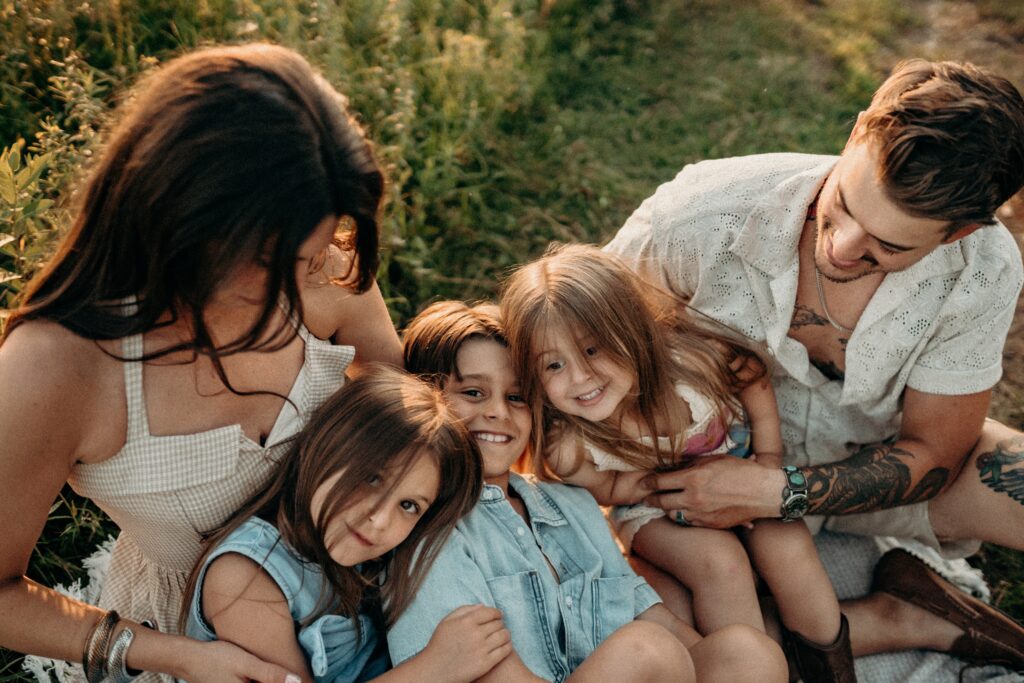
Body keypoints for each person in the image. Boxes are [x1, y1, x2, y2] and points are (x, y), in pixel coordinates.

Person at [604, 58, 1024, 671]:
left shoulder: (982, 267)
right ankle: (900, 616)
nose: (845, 245)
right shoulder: (698, 216)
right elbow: (580, 338)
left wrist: (780, 492)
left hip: (875, 466)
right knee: (660, 633)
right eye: (846, 205)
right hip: (699, 474)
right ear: (856, 135)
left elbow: (935, 453)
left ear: (959, 232)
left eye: (891, 246)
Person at [0, 43, 402, 681]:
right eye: (272, 267)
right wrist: (182, 657)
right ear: (181, 226)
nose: (309, 284)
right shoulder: (55, 368)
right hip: (196, 641)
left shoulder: (320, 263)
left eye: (320, 250)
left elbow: (408, 412)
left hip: (370, 590)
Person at [500, 243, 853, 682]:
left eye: (593, 350)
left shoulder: (690, 364)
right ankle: (749, 670)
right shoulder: (570, 445)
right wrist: (650, 487)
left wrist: (767, 459)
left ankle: (833, 671)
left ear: (631, 331)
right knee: (719, 561)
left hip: (741, 477)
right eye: (553, 365)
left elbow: (754, 379)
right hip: (656, 512)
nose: (580, 377)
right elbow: (606, 493)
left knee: (786, 539)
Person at [393, 300, 787, 682]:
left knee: (747, 652)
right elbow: (471, 668)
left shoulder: (570, 504)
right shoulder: (429, 526)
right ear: (425, 401)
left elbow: (650, 616)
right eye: (474, 393)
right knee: (645, 649)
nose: (498, 411)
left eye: (516, 397)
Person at [182, 366, 510, 683]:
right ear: (325, 446)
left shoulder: (372, 561)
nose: (380, 520)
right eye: (370, 479)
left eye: (408, 505)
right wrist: (434, 669)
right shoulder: (246, 576)